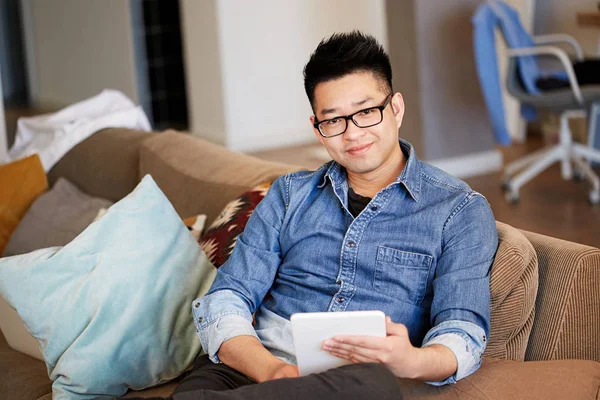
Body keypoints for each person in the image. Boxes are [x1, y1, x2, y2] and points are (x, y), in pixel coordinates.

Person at [131, 31, 498, 400]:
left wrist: (410, 361)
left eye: (367, 112)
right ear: (317, 129)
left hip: (352, 382)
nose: (352, 134)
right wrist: (272, 370)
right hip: (254, 368)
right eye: (333, 120)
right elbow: (229, 297)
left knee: (375, 384)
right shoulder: (289, 194)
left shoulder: (458, 210)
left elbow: (462, 331)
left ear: (396, 108)